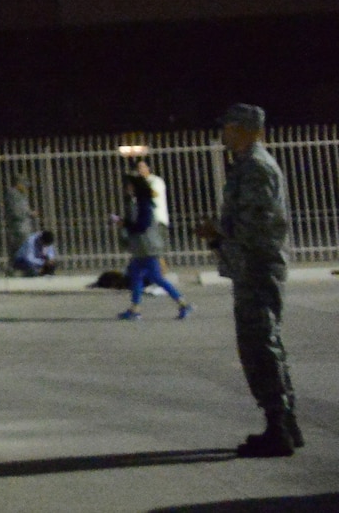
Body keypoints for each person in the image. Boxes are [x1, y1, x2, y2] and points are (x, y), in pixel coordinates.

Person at [197, 103, 300, 457]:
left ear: (245, 129)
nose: (223, 133)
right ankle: (285, 422)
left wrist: (216, 237)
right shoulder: (247, 166)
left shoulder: (256, 167)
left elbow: (255, 228)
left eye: (228, 126)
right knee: (266, 342)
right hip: (252, 267)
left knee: (259, 345)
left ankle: (279, 428)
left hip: (256, 268)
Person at [115, 159, 189, 321]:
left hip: (147, 247)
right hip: (142, 248)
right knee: (136, 276)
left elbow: (142, 225)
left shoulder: (144, 204)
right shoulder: (139, 203)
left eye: (129, 186)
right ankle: (135, 309)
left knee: (156, 278)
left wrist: (125, 224)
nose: (127, 189)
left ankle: (183, 303)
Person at [4, 176, 39, 271]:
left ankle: (13, 269)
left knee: (16, 249)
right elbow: (16, 211)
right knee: (23, 247)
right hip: (18, 227)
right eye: (24, 185)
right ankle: (26, 269)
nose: (26, 187)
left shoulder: (20, 194)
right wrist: (29, 213)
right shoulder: (14, 195)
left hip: (22, 226)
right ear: (18, 184)